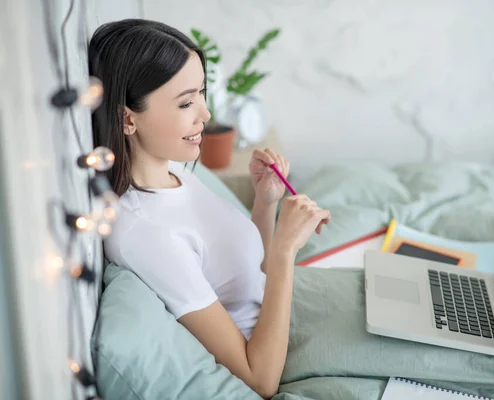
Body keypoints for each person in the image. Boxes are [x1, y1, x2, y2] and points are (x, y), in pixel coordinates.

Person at [89, 19, 331, 399]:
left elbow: (243, 279)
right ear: (127, 118)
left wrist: (265, 206)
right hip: (276, 352)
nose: (205, 114)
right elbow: (260, 379)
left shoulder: (172, 168)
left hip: (289, 317)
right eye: (186, 102)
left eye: (201, 93)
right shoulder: (144, 231)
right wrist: (286, 251)